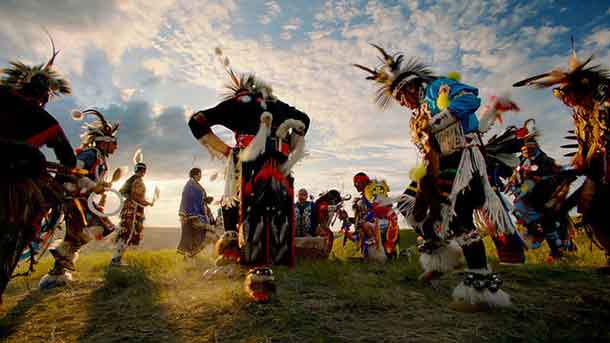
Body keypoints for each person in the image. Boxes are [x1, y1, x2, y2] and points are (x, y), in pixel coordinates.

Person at [355, 44, 514, 311]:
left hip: (463, 159)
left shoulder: (437, 88)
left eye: (401, 98)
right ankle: (442, 258)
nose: (402, 103)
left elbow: (471, 98)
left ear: (410, 87)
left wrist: (438, 121)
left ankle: (482, 289)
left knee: (458, 217)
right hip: (437, 166)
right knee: (409, 204)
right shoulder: (415, 115)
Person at [188, 50, 310, 268]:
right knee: (278, 207)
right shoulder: (277, 104)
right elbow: (303, 120)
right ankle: (277, 257)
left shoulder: (238, 103)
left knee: (233, 199)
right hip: (278, 163)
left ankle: (233, 247)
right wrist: (289, 147)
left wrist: (225, 151)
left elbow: (196, 121)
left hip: (247, 161)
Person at [513, 42, 610, 271]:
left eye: (569, 95)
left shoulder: (604, 103)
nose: (567, 102)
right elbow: (586, 146)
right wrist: (576, 163)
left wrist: (590, 171)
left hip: (604, 167)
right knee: (588, 208)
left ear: (581, 89)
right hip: (596, 167)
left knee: (593, 205)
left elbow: (605, 142)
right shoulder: (581, 114)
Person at [0, 40, 75, 301]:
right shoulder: (46, 120)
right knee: (14, 236)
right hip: (13, 187)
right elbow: (68, 159)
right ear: (43, 96)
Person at [111, 155, 153, 266]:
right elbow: (135, 196)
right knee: (127, 233)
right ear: (141, 171)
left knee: (126, 233)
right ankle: (115, 260)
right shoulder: (137, 180)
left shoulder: (132, 179)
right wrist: (147, 202)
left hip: (131, 207)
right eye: (143, 170)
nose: (143, 172)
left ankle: (116, 259)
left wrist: (142, 201)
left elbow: (124, 192)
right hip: (133, 209)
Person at [178, 168, 215, 258]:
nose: (200, 176)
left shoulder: (195, 185)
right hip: (193, 216)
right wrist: (193, 215)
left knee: (199, 236)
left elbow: (199, 199)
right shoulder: (190, 186)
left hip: (199, 214)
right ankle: (189, 258)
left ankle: (190, 258)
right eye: (199, 174)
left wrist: (206, 200)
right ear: (195, 175)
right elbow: (191, 200)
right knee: (196, 235)